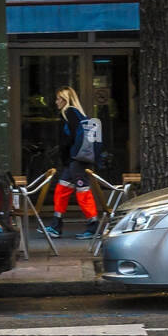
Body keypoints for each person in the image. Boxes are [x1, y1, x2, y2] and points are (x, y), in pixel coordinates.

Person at [40, 86, 99, 240]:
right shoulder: (77, 113)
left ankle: (93, 226)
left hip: (76, 162)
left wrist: (64, 151)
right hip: (73, 161)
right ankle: (55, 226)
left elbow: (70, 138)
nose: (56, 102)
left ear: (65, 100)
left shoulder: (70, 112)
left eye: (58, 99)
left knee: (83, 192)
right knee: (61, 190)